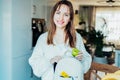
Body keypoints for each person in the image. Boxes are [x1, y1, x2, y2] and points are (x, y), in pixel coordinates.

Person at [29, 0, 92, 80]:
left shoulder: (76, 37)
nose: (61, 18)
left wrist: (81, 59)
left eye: (66, 15)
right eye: (58, 13)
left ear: (70, 18)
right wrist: (50, 61)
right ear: (53, 15)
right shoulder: (43, 38)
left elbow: (86, 60)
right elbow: (35, 66)